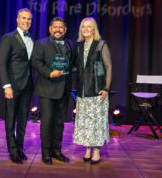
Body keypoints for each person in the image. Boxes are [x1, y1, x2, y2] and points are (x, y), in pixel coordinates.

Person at [31, 17, 76, 165]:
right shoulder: (41, 43)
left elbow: (74, 64)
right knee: (47, 121)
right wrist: (50, 73)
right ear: (50, 29)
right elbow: (35, 62)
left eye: (61, 27)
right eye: (55, 27)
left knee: (59, 122)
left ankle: (56, 151)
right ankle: (46, 153)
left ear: (65, 30)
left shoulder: (71, 45)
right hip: (47, 88)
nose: (58, 29)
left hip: (64, 89)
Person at [74, 17, 112, 165]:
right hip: (83, 91)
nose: (86, 29)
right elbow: (77, 67)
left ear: (94, 29)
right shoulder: (79, 46)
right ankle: (87, 149)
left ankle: (96, 150)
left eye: (89, 27)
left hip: (97, 90)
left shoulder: (101, 45)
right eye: (83, 27)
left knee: (96, 122)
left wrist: (107, 88)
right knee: (85, 122)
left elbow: (108, 67)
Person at [0, 8, 33, 164]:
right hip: (13, 85)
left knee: (23, 120)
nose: (26, 21)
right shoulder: (9, 38)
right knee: (11, 119)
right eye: (24, 18)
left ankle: (19, 149)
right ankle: (13, 152)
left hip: (27, 86)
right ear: (17, 20)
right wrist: (7, 85)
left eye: (29, 19)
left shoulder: (31, 39)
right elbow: (2, 63)